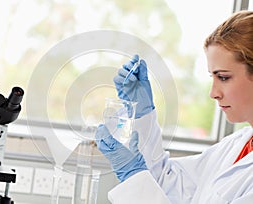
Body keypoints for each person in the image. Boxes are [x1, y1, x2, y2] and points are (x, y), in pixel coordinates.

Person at [95, 10, 253, 204]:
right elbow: (167, 184)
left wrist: (132, 173)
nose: (213, 93)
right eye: (212, 77)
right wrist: (143, 115)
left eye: (223, 77)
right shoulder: (238, 144)